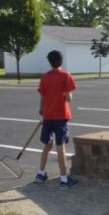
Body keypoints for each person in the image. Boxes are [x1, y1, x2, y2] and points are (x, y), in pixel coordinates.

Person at [35, 50, 79, 190]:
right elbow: (68, 98)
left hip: (48, 117)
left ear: (49, 61)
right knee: (60, 147)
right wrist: (67, 95)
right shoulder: (66, 75)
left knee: (47, 145)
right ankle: (64, 180)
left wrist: (42, 113)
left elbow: (42, 97)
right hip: (61, 118)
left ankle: (40, 174)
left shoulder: (45, 77)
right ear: (61, 61)